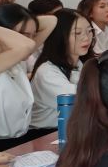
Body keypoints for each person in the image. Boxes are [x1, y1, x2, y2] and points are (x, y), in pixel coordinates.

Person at [0, 5, 57, 150]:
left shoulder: (16, 62)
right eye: (23, 35)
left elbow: (51, 21)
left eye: (33, 35)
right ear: (1, 35)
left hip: (21, 140)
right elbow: (27, 45)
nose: (31, 41)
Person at [29, 9, 94, 137]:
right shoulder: (47, 71)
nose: (86, 38)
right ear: (59, 37)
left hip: (71, 129)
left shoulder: (81, 63)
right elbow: (81, 99)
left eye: (89, 31)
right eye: (77, 33)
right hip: (44, 134)